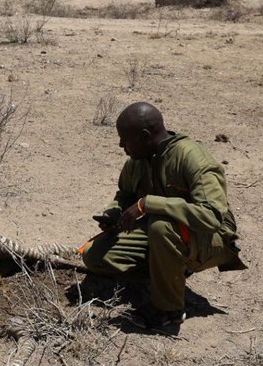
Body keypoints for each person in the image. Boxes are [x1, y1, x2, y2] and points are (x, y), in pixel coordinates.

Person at [80, 102, 246, 329]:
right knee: (94, 256)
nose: (121, 145)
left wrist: (148, 204)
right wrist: (113, 212)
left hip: (211, 239)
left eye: (125, 139)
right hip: (165, 235)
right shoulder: (137, 161)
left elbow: (212, 216)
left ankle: (168, 310)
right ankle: (167, 271)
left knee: (160, 225)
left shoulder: (193, 159)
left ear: (145, 136)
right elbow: (125, 194)